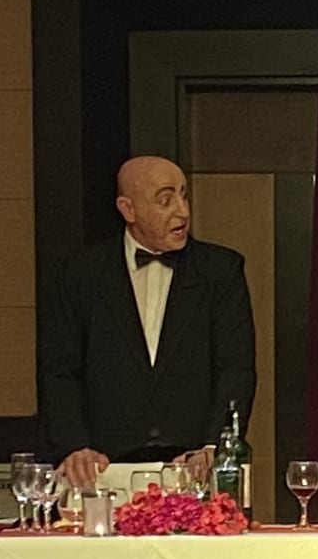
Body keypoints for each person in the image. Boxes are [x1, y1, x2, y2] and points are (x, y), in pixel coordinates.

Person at [41, 155, 256, 488]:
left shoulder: (220, 271)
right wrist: (74, 446)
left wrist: (216, 445)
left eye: (184, 196)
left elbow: (236, 368)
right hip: (104, 468)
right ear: (128, 209)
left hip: (192, 466)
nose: (182, 211)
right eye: (165, 200)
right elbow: (59, 371)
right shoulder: (80, 275)